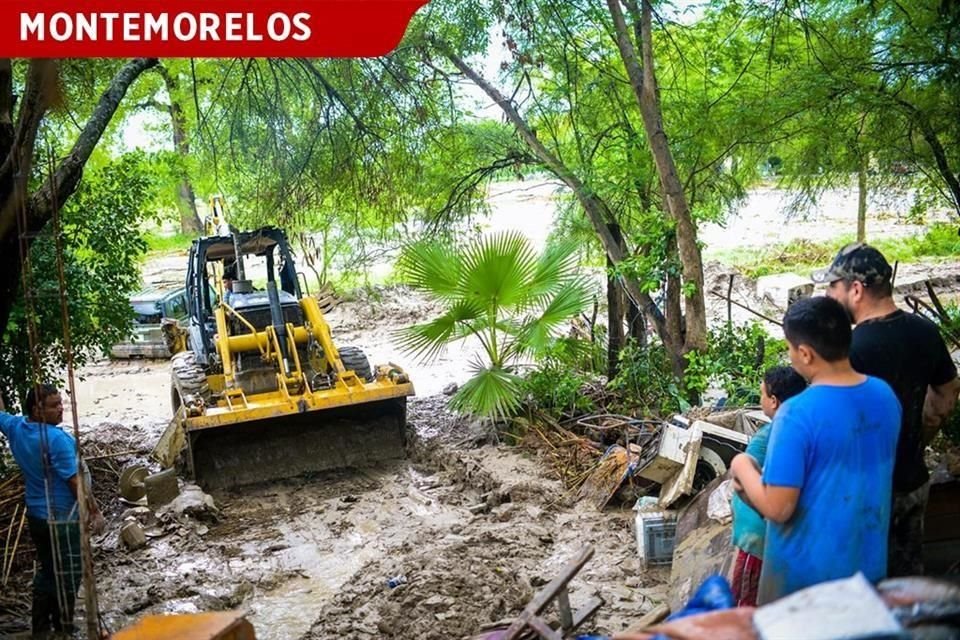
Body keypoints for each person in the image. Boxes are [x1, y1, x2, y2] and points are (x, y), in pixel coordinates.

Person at [730, 296, 900, 604]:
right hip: (867, 572)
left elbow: (778, 507)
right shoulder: (885, 396)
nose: (791, 355)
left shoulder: (796, 414)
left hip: (804, 583)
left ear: (806, 353)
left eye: (791, 348)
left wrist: (742, 465)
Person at [815, 242, 960, 576]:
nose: (828, 295)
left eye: (832, 286)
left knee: (862, 591)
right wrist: (918, 435)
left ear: (855, 289)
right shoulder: (925, 331)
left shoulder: (850, 350)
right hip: (912, 482)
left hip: (865, 496)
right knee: (906, 586)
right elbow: (947, 395)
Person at [0, 384, 104, 636]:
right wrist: (94, 511)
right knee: (70, 572)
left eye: (61, 403)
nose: (61, 409)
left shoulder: (16, 427)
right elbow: (74, 482)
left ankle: (41, 626)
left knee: (48, 568)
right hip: (61, 519)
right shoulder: (55, 440)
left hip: (37, 515)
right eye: (54, 405)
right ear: (37, 410)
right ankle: (63, 625)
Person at [729, 365, 806, 607]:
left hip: (758, 537)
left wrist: (740, 466)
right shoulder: (801, 428)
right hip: (770, 536)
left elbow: (749, 480)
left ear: (773, 401)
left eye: (762, 393)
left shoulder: (775, 433)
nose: (760, 398)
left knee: (747, 605)